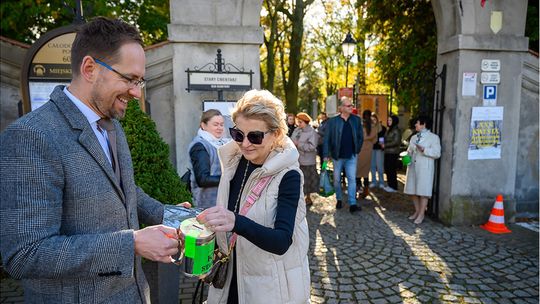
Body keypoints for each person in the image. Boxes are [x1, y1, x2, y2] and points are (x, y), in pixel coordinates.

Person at [0, 17, 183, 303]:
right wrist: (131, 243)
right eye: (129, 79)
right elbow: (25, 254)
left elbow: (126, 192)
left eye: (140, 81)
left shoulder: (112, 124)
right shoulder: (30, 136)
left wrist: (178, 218)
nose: (136, 92)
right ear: (89, 68)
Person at [196, 90, 310, 303]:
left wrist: (235, 221)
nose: (245, 143)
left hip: (270, 288)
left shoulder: (289, 175)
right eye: (238, 134)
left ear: (276, 134)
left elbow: (282, 241)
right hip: (231, 278)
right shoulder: (234, 161)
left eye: (255, 136)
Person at [322, 96, 364, 213]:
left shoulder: (356, 120)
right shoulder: (333, 121)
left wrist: (357, 150)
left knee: (352, 179)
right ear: (341, 108)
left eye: (351, 105)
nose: (351, 107)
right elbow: (327, 139)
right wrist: (326, 154)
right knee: (336, 180)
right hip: (337, 156)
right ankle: (339, 198)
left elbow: (361, 136)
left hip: (351, 156)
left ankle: (352, 203)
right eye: (348, 105)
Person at [188, 109, 231, 209]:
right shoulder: (199, 146)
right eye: (215, 124)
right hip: (207, 205)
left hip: (221, 203)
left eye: (221, 124)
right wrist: (229, 178)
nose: (219, 128)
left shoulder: (222, 143)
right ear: (203, 125)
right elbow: (203, 179)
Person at [404, 115, 441, 224]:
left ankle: (421, 214)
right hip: (413, 166)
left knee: (423, 191)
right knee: (412, 190)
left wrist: (424, 149)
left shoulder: (434, 137)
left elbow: (437, 153)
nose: (415, 125)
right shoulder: (414, 137)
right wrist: (407, 157)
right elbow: (409, 150)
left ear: (424, 124)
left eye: (417, 123)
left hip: (425, 166)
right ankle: (417, 211)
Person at [291, 112, 319, 205]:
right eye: (298, 122)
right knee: (298, 179)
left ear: (306, 122)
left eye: (300, 122)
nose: (298, 124)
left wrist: (298, 144)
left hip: (307, 160)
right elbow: (292, 140)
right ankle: (300, 197)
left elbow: (312, 146)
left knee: (307, 180)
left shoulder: (312, 132)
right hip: (297, 159)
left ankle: (308, 197)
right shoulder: (297, 130)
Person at [356, 109, 377, 198]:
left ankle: (359, 188)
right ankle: (366, 190)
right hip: (369, 150)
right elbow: (375, 140)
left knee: (357, 171)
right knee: (365, 172)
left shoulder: (360, 126)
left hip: (359, 149)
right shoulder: (373, 127)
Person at [383, 114, 402, 192]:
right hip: (387, 152)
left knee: (392, 169)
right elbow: (383, 138)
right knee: (387, 169)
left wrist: (385, 145)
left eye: (390, 120)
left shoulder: (396, 130)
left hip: (393, 153)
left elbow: (396, 142)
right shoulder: (389, 129)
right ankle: (390, 185)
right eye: (388, 120)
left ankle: (394, 186)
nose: (388, 121)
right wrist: (381, 143)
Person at [370, 113, 387, 188]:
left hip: (379, 149)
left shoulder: (382, 128)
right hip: (371, 149)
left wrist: (382, 143)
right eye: (371, 120)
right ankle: (374, 181)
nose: (373, 121)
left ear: (377, 119)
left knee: (380, 166)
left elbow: (382, 137)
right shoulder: (369, 128)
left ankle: (381, 182)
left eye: (374, 119)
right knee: (372, 166)